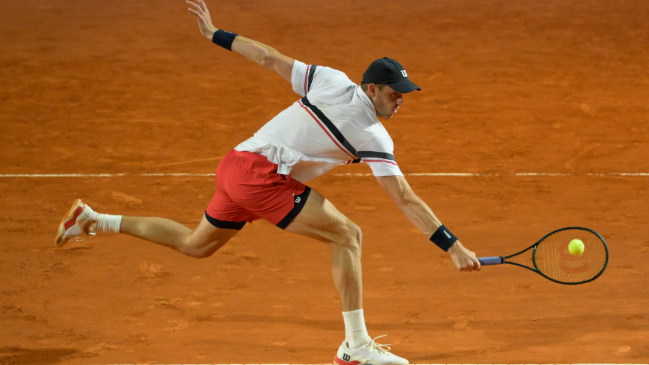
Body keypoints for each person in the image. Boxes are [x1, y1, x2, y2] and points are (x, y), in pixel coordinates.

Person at [55, 1, 481, 364]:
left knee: (195, 245)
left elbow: (269, 58)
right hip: (261, 178)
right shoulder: (372, 135)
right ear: (372, 89)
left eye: (403, 93)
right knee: (348, 236)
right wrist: (453, 247)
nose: (400, 100)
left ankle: (93, 221)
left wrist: (215, 33)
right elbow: (404, 199)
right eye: (394, 94)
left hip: (235, 165)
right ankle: (356, 347)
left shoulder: (330, 78)